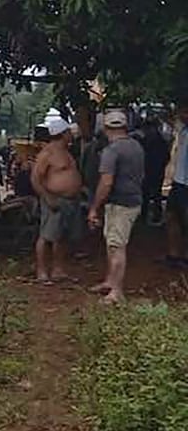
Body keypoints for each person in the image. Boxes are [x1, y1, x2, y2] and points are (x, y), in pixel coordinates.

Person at [88, 109, 145, 303]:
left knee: (117, 246)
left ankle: (116, 291)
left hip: (120, 203)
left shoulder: (111, 151)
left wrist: (94, 207)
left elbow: (106, 182)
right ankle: (110, 282)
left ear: (105, 128)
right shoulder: (136, 146)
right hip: (132, 200)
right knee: (112, 243)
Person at [30, 116, 82, 283]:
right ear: (63, 133)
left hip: (70, 200)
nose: (71, 134)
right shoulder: (47, 154)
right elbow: (36, 178)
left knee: (62, 236)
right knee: (46, 236)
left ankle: (58, 269)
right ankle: (41, 271)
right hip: (54, 199)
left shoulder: (66, 151)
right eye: (68, 132)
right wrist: (47, 197)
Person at [163, 98, 188, 267]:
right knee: (172, 216)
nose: (182, 114)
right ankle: (174, 255)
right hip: (179, 182)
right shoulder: (183, 131)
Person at [139, 118, 170, 224]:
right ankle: (154, 215)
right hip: (155, 170)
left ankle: (147, 215)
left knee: (148, 194)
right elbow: (167, 156)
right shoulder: (160, 141)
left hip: (150, 170)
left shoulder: (148, 140)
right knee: (154, 194)